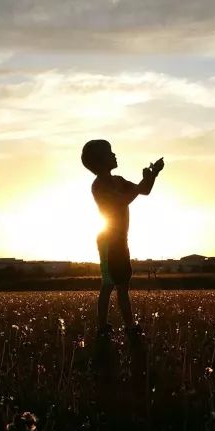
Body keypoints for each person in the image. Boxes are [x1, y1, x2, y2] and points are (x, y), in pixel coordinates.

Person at [80, 139, 164, 342]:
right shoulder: (99, 186)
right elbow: (120, 201)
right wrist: (139, 185)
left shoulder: (118, 180)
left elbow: (144, 190)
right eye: (110, 153)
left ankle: (126, 326)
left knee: (122, 284)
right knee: (109, 284)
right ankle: (108, 327)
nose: (115, 155)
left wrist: (152, 175)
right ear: (99, 162)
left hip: (120, 240)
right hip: (108, 242)